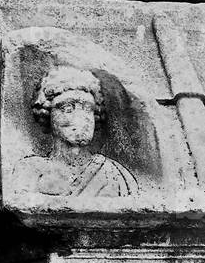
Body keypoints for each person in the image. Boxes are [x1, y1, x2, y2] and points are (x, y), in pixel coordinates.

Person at [12, 65, 138, 197]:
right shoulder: (31, 170)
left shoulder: (115, 175)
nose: (80, 118)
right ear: (48, 114)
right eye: (67, 108)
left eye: (88, 109)